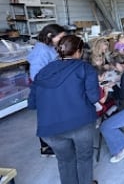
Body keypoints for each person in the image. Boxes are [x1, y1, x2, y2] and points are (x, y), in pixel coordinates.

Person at [28, 35, 100, 184]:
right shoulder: (85, 68)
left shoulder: (43, 71)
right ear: (79, 51)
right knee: (84, 157)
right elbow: (93, 97)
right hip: (80, 123)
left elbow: (32, 103)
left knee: (65, 161)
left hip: (50, 128)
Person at [27, 23, 66, 157]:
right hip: (44, 88)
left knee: (51, 116)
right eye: (60, 38)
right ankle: (45, 147)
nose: (61, 41)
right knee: (46, 117)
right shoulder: (41, 51)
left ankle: (52, 141)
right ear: (50, 36)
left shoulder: (49, 47)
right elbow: (36, 76)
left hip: (50, 85)